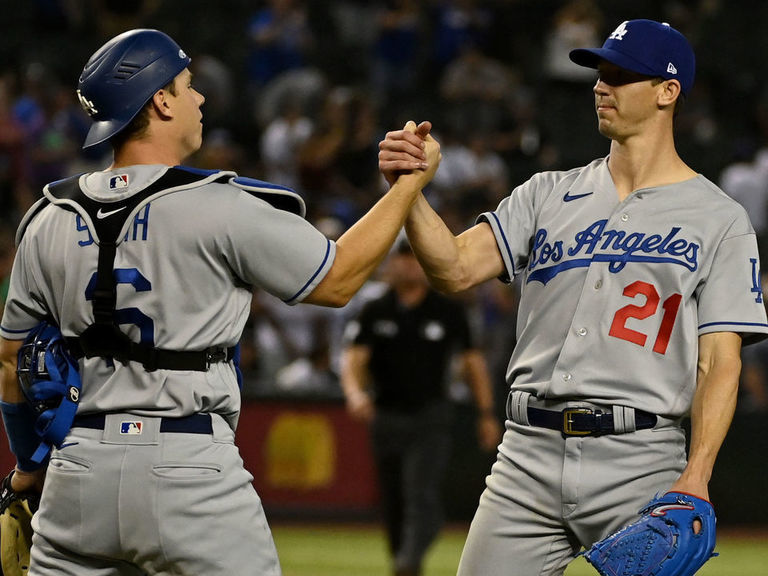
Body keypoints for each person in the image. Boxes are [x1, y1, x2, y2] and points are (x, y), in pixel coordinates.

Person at [0, 28, 439, 576]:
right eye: (187, 86)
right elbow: (338, 279)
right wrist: (406, 187)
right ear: (160, 100)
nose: (199, 98)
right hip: (185, 465)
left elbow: (11, 364)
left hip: (76, 470)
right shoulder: (220, 205)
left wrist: (27, 468)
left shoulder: (46, 219)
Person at [378, 19, 768, 576]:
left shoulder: (720, 219)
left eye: (620, 74)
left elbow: (719, 362)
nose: (599, 85)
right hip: (525, 456)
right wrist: (410, 192)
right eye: (599, 72)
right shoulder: (546, 193)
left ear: (667, 91)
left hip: (641, 459)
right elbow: (455, 268)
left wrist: (697, 475)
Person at [340, 237, 501, 576]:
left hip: (431, 417)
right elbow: (354, 358)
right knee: (394, 500)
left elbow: (473, 364)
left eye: (414, 258)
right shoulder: (376, 309)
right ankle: (404, 556)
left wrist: (486, 414)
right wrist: (355, 393)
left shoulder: (448, 311)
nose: (408, 264)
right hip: (386, 415)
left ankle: (407, 563)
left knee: (419, 491)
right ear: (390, 264)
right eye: (402, 258)